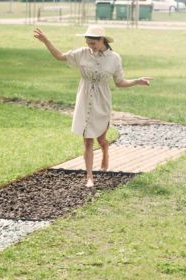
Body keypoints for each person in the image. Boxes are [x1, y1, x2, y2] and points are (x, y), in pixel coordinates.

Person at [34, 26, 153, 187]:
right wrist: (46, 41)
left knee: (101, 138)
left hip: (102, 101)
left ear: (102, 39)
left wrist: (137, 81)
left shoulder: (115, 58)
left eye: (93, 43)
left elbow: (119, 82)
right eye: (88, 43)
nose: (90, 46)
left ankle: (105, 154)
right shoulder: (82, 53)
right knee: (88, 140)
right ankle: (89, 177)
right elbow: (59, 56)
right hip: (84, 98)